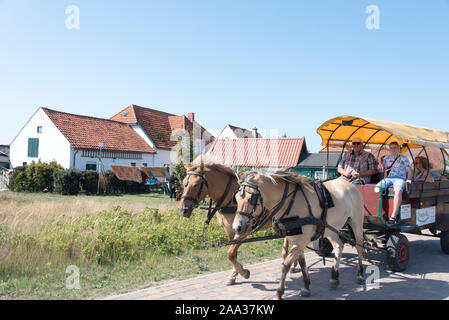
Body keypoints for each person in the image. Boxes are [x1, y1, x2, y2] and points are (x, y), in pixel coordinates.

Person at [375, 141, 413, 224]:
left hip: (400, 178)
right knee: (376, 189)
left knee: (398, 190)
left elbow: (409, 171)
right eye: (391, 148)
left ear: (399, 149)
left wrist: (409, 179)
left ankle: (393, 215)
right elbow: (386, 171)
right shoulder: (386, 159)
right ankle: (377, 212)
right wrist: (384, 180)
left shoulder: (404, 158)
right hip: (389, 178)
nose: (393, 149)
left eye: (395, 148)